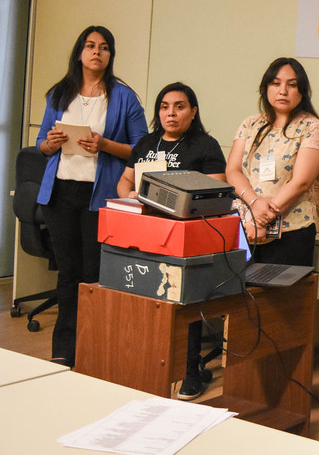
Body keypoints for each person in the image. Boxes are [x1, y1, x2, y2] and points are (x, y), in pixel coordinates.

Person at [35, 25, 148, 367]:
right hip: (61, 193)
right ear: (80, 53)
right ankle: (64, 352)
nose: (96, 52)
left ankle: (94, 350)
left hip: (99, 197)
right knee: (68, 273)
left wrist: (104, 145)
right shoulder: (59, 94)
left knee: (93, 275)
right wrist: (49, 144)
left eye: (104, 47)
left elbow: (142, 150)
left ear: (110, 56)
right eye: (90, 45)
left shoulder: (124, 97)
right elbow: (40, 144)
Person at [116, 82, 227, 400]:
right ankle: (144, 365)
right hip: (145, 233)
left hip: (185, 237)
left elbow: (216, 190)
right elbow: (125, 181)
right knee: (147, 302)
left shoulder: (205, 146)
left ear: (193, 112)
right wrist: (130, 198)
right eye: (164, 106)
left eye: (179, 106)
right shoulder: (146, 144)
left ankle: (192, 372)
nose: (171, 113)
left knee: (186, 303)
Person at [225, 57, 319, 266]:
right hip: (245, 227)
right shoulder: (250, 124)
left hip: (291, 232)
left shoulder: (312, 127)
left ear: (302, 91)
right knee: (240, 296)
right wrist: (254, 205)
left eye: (292, 85)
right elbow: (233, 171)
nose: (283, 91)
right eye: (276, 83)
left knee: (284, 298)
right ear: (265, 88)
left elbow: (301, 182)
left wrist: (263, 218)